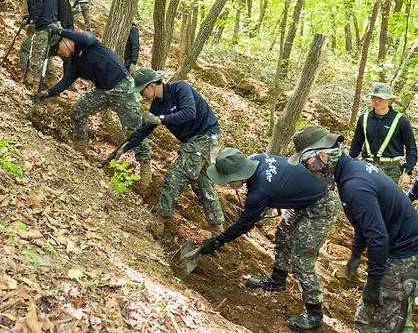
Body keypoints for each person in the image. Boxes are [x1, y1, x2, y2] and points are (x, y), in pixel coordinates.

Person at [289, 124, 418, 332]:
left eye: (306, 161)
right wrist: (356, 253)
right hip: (401, 245)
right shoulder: (351, 171)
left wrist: (374, 282)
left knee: (378, 321)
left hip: (405, 253)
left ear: (322, 156)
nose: (306, 167)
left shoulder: (354, 185)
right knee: (383, 317)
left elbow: (378, 237)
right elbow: (365, 223)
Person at [199, 147, 340, 330]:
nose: (227, 185)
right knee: (283, 234)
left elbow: (244, 225)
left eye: (229, 181)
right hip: (303, 198)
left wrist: (217, 241)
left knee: (301, 259)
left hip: (322, 205)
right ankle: (277, 280)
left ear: (240, 173)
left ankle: (314, 314)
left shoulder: (260, 191)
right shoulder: (255, 158)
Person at [108, 66, 225, 235]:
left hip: (206, 136)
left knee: (175, 175)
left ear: (151, 86)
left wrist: (161, 119)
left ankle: (159, 221)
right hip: (194, 142)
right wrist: (123, 148)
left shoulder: (179, 88)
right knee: (201, 182)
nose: (142, 96)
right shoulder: (156, 107)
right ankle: (217, 227)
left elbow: (190, 112)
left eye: (142, 92)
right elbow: (142, 132)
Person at [33, 29, 152, 190]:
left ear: (66, 41)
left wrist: (60, 30)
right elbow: (67, 80)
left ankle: (145, 168)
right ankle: (80, 147)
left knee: (133, 128)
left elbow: (88, 37)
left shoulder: (86, 43)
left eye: (58, 48)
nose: (59, 53)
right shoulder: (75, 62)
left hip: (122, 87)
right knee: (78, 109)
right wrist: (47, 93)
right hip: (102, 90)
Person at [349, 82, 416, 188]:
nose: (376, 101)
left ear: (389, 100)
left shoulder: (401, 121)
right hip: (367, 166)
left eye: (381, 98)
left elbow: (411, 148)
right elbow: (357, 143)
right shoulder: (364, 119)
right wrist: (349, 162)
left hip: (391, 170)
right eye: (374, 97)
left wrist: (407, 171)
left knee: (386, 203)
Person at [14, 0, 59, 88]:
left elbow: (37, 7)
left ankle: (36, 86)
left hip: (43, 26)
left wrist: (33, 21)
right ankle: (52, 81)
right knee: (44, 54)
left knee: (35, 57)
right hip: (52, 23)